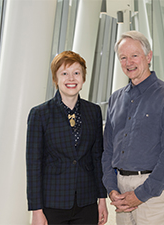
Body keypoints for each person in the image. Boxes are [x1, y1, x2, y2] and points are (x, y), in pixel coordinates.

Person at [102, 30, 164, 225]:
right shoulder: (115, 99)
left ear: (148, 57)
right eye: (123, 57)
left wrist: (141, 194)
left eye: (134, 55)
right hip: (120, 192)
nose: (128, 62)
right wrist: (112, 188)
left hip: (154, 192)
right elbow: (107, 150)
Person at [26, 51, 108, 225]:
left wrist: (102, 199)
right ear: (56, 79)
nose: (71, 78)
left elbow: (97, 158)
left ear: (83, 78)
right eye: (64, 73)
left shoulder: (93, 112)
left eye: (76, 73)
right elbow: (33, 166)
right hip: (52, 203)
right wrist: (36, 211)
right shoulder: (40, 114)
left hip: (87, 202)